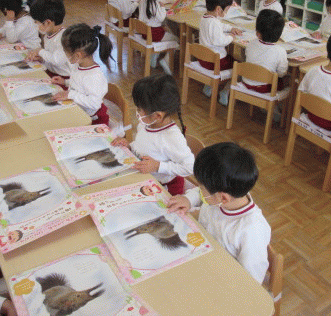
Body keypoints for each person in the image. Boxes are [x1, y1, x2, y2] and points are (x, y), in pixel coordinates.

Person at [167, 142, 270, 283]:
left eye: (202, 188)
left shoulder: (251, 230)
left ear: (223, 198)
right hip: (199, 254)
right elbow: (202, 194)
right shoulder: (224, 195)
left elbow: (251, 280)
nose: (200, 190)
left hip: (221, 278)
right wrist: (188, 199)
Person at [112, 74, 194, 196]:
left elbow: (189, 167)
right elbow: (145, 146)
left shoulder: (172, 137)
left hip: (165, 187)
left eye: (140, 109)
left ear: (158, 116)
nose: (137, 113)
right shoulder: (146, 124)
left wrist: (158, 166)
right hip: (144, 179)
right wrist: (130, 146)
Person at [51, 24, 112, 125]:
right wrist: (65, 82)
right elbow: (80, 84)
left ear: (78, 55)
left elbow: (94, 103)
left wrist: (70, 94)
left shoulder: (94, 76)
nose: (64, 54)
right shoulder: (78, 64)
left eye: (65, 51)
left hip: (94, 120)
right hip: (79, 112)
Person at [199, 0, 242, 105]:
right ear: (218, 9)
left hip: (204, 59)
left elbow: (220, 26)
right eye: (226, 9)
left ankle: (209, 87)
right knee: (239, 67)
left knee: (231, 59)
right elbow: (220, 41)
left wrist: (230, 28)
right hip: (216, 62)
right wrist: (231, 37)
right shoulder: (214, 23)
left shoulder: (205, 18)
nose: (226, 12)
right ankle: (225, 91)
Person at [138, 0, 178, 75]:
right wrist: (162, 7)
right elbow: (161, 18)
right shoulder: (154, 2)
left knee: (168, 30)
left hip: (146, 33)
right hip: (154, 33)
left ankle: (154, 57)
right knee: (177, 40)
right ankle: (165, 60)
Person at [243, 9, 288, 93]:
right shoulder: (280, 51)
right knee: (286, 80)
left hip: (246, 82)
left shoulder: (251, 43)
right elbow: (281, 73)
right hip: (265, 87)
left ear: (258, 33)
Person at [26, 0, 70, 78]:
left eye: (36, 22)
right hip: (51, 72)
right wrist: (41, 59)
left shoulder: (64, 38)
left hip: (64, 78)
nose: (35, 25)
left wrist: (40, 51)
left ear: (47, 23)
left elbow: (56, 60)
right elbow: (51, 58)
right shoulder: (48, 34)